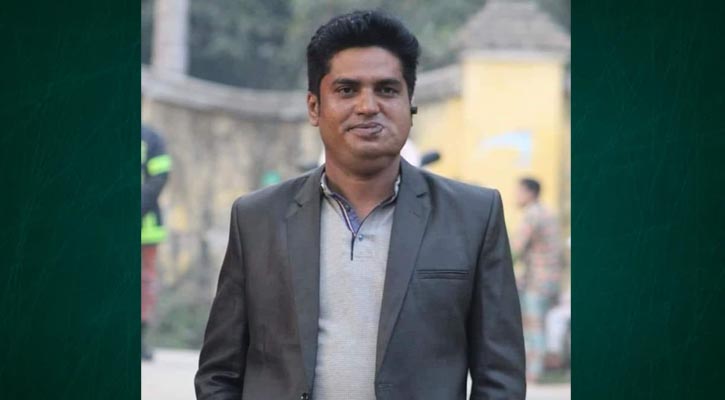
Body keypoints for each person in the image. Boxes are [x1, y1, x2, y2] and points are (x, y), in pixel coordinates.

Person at [195, 10, 525, 400]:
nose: (368, 106)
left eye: (387, 90)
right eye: (347, 90)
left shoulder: (473, 217)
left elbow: (500, 379)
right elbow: (219, 374)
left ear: (410, 105)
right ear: (314, 107)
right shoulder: (257, 219)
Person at [511, 177, 564, 382]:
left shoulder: (532, 214)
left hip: (537, 280)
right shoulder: (548, 212)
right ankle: (541, 370)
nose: (516, 196)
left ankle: (534, 374)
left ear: (530, 193)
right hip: (552, 279)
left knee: (534, 328)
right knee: (544, 326)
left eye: (519, 191)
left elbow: (515, 248)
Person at [141, 124, 171, 361]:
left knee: (144, 282)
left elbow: (160, 177)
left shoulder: (151, 138)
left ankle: (138, 337)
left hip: (146, 228)